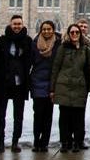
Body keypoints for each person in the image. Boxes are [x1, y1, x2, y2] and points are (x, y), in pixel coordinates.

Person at [51, 24, 90, 153]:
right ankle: (65, 142)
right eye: (72, 32)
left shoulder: (86, 50)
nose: (74, 34)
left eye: (77, 32)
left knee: (78, 117)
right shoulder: (62, 48)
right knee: (64, 117)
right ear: (69, 34)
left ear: (80, 34)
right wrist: (52, 88)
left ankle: (77, 142)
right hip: (63, 86)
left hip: (80, 86)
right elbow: (56, 67)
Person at [0, 15, 33, 153]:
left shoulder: (27, 41)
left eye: (19, 24)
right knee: (0, 114)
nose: (17, 26)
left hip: (19, 82)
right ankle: (1, 142)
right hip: (3, 82)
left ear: (22, 25)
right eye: (14, 24)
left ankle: (15, 141)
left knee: (18, 114)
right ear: (10, 25)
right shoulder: (1, 41)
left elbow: (30, 59)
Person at [30, 21, 61, 153]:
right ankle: (36, 141)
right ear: (40, 30)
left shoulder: (58, 44)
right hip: (37, 81)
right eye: (44, 29)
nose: (46, 31)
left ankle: (44, 143)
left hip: (51, 82)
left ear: (53, 30)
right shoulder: (35, 43)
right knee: (38, 114)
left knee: (48, 115)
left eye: (49, 29)